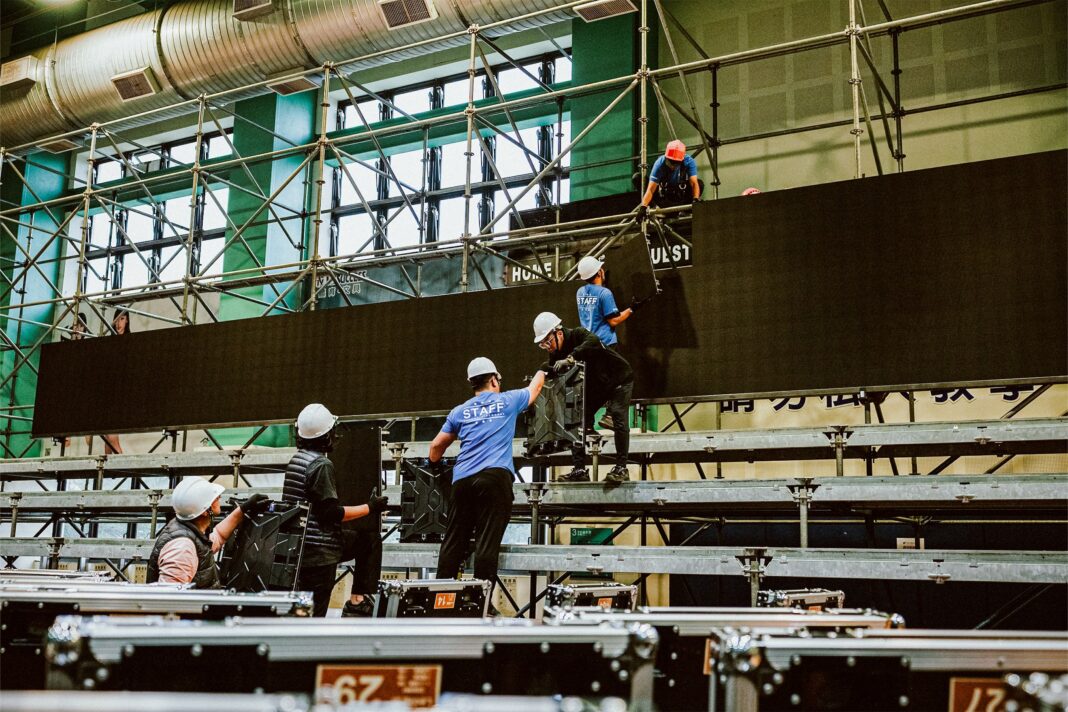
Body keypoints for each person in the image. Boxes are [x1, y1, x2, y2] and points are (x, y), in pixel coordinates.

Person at [428, 357, 545, 592]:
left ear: (472, 382)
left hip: (462, 481)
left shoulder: (459, 411)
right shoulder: (508, 400)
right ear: (493, 380)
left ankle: (441, 599)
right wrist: (544, 368)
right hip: (494, 478)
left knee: (453, 542)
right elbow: (535, 389)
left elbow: (436, 446)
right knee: (486, 543)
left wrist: (434, 465)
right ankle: (479, 602)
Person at [282, 403, 388, 617]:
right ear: (327, 435)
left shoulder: (297, 460)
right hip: (319, 552)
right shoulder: (321, 465)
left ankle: (358, 600)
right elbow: (331, 514)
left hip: (298, 549)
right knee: (315, 613)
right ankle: (358, 602)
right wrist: (370, 507)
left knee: (368, 540)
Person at [533, 312, 634, 484]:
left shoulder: (578, 334)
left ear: (559, 333)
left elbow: (592, 341)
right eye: (543, 344)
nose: (547, 347)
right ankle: (579, 470)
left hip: (618, 377)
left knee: (618, 415)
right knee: (575, 417)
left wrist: (571, 358)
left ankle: (621, 468)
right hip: (597, 386)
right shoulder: (555, 354)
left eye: (548, 341)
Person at [147, 478, 270, 588]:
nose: (219, 497)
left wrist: (243, 509)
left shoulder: (188, 530)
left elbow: (218, 536)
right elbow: (170, 598)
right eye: (214, 498)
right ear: (206, 511)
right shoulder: (182, 548)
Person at [575, 255, 634, 350]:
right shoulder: (604, 293)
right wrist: (631, 309)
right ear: (599, 272)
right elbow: (613, 321)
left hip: (588, 343)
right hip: (606, 343)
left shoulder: (580, 292)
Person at [637, 140, 703, 219]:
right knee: (637, 178)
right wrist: (643, 207)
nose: (673, 166)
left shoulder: (688, 161)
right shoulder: (659, 164)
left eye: (676, 163)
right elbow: (651, 190)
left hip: (681, 197)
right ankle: (657, 208)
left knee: (699, 184)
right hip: (665, 199)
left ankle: (686, 210)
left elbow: (694, 183)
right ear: (666, 158)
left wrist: (695, 199)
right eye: (671, 162)